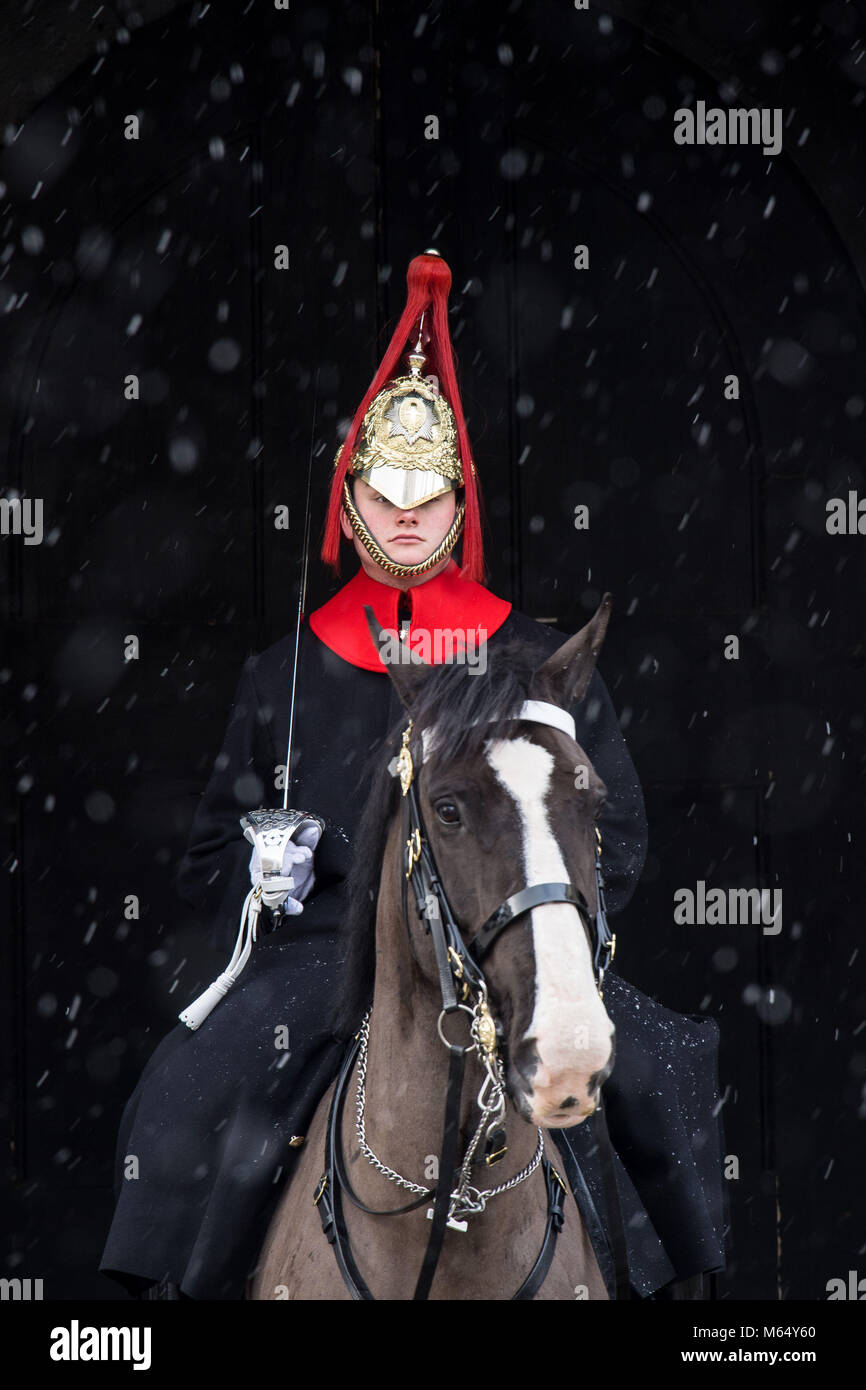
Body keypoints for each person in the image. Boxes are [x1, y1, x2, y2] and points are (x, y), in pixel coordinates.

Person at [99, 251, 726, 1301]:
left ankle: (689, 1299)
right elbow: (210, 845)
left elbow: (610, 822)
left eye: (425, 498)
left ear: (456, 504)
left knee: (661, 1062)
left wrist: (548, 921)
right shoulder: (281, 673)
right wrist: (256, 878)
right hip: (321, 952)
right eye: (382, 495)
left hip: (506, 934)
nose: (403, 517)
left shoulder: (530, 661)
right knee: (186, 1077)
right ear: (349, 503)